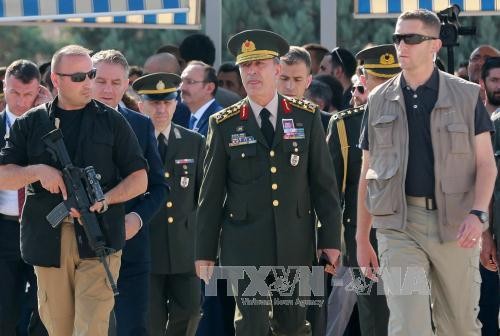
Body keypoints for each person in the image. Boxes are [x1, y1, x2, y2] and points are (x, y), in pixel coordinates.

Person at [356, 10, 496, 336]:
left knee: (459, 326)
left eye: (411, 38)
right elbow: (367, 171)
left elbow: (487, 164)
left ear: (434, 45)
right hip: (399, 225)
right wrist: (362, 237)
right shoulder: (377, 100)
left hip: (456, 224)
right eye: (397, 38)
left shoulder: (465, 94)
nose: (400, 45)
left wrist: (478, 214)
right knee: (408, 325)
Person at [195, 29, 342, 336]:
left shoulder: (306, 117)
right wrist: (204, 250)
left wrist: (330, 239)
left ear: (277, 69)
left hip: (295, 243)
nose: (252, 72)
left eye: (259, 64)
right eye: (245, 66)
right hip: (245, 244)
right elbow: (210, 193)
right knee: (252, 326)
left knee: (293, 326)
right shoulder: (224, 123)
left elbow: (323, 185)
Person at [0, 44, 148, 336]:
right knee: (60, 328)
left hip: (100, 237)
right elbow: (4, 175)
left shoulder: (112, 120)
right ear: (56, 80)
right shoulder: (32, 122)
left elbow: (140, 178)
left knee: (91, 327)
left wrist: (107, 198)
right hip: (48, 241)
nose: (88, 82)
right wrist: (37, 172)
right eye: (79, 77)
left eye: (91, 74)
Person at [91, 49, 167, 336]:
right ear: (88, 80)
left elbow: (159, 186)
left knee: (132, 327)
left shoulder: (140, 124)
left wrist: (137, 218)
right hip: (80, 247)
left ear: (126, 85)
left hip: (131, 247)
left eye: (115, 82)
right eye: (101, 81)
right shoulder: (66, 123)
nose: (108, 89)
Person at [326, 44, 400, 336]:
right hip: (366, 240)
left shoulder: (425, 118)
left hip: (416, 232)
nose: (384, 88)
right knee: (376, 321)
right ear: (363, 81)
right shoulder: (346, 126)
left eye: (390, 80)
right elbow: (332, 191)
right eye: (377, 80)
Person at [132, 72, 205, 336]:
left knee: (190, 313)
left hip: (185, 249)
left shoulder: (193, 142)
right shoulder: (131, 141)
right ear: (140, 104)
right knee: (150, 321)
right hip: (145, 247)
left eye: (167, 102)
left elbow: (203, 197)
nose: (161, 109)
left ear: (176, 104)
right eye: (154, 102)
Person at [0, 59, 51, 336]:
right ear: (4, 87)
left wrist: (50, 105)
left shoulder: (46, 127)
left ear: (38, 91)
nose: (20, 102)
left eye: (28, 94)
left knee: (42, 312)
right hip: (4, 227)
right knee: (4, 313)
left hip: (39, 227)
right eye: (14, 93)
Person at [179, 33, 241, 108]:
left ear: (185, 64)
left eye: (180, 63)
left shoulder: (173, 100)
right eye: (220, 83)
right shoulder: (233, 100)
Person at [180, 61, 222, 136]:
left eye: (190, 82)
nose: (182, 87)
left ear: (209, 88)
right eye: (181, 81)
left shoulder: (220, 121)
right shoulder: (181, 116)